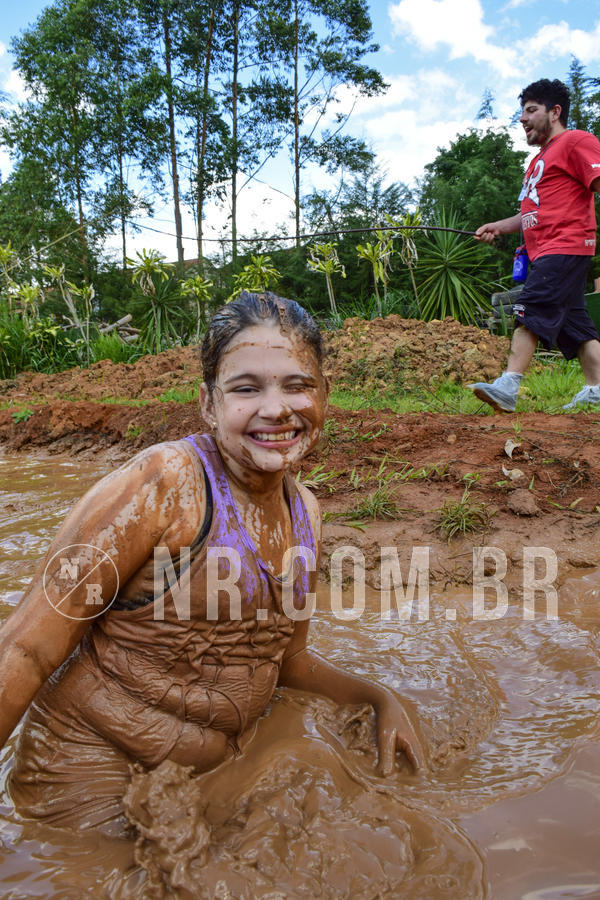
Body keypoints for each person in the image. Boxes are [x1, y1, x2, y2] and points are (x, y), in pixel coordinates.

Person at [0, 291, 423, 833]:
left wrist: (380, 698)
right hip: (90, 772)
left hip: (204, 775)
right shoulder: (164, 484)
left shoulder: (306, 514)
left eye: (298, 385)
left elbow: (287, 660)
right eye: (246, 389)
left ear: (324, 395)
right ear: (208, 404)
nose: (277, 409)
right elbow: (27, 649)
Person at [470, 78, 600, 412]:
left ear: (555, 112)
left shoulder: (575, 141)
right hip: (547, 251)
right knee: (576, 325)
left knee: (529, 308)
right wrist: (499, 227)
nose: (522, 118)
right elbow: (531, 212)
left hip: (565, 245)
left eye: (531, 110)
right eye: (522, 111)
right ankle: (597, 389)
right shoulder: (537, 161)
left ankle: (508, 386)